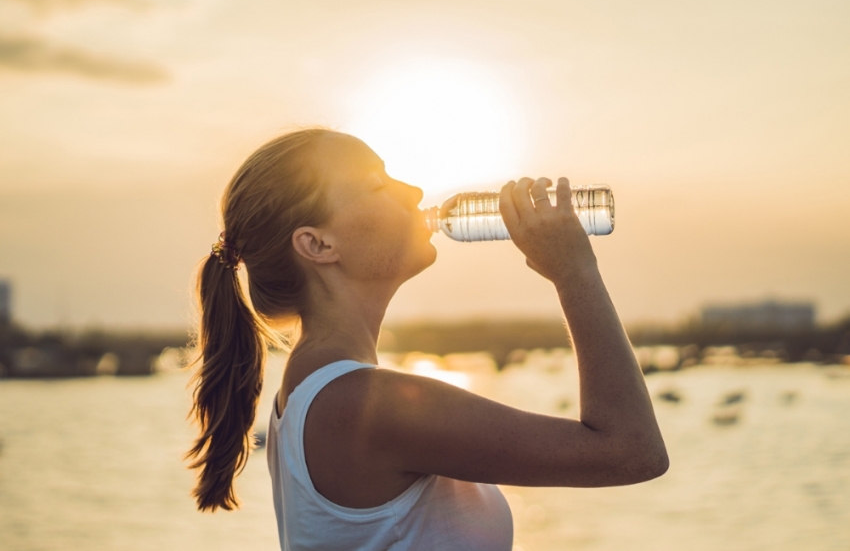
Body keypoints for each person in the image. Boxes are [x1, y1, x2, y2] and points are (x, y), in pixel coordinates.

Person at [187, 128, 668, 550]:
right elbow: (631, 451)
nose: (413, 190)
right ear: (318, 245)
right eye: (379, 184)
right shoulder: (360, 404)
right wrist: (574, 272)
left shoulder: (310, 393)